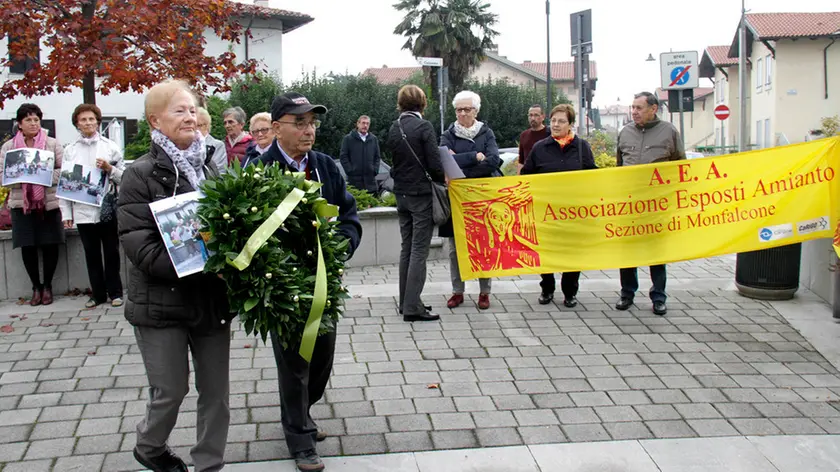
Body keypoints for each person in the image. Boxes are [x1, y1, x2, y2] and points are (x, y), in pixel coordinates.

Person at [118, 79, 231, 472]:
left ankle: (209, 465)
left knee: (216, 393)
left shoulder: (212, 166)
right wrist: (195, 264)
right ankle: (149, 446)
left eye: (192, 109)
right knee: (170, 390)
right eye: (178, 110)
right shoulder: (139, 174)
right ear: (155, 120)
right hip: (161, 302)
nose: (190, 116)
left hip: (211, 299)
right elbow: (141, 247)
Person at [250, 91, 361, 472]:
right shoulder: (258, 170)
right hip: (282, 284)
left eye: (312, 122)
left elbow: (348, 213)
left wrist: (341, 248)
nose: (308, 130)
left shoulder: (326, 166)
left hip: (324, 282)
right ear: (276, 127)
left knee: (322, 360)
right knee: (294, 363)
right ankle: (300, 439)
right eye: (299, 123)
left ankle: (304, 414)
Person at [615, 91, 686, 316]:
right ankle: (627, 293)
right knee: (628, 252)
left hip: (657, 206)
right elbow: (619, 167)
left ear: (653, 109)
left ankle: (658, 297)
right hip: (629, 205)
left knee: (656, 253)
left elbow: (680, 167)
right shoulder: (624, 133)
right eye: (632, 107)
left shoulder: (669, 132)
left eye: (638, 108)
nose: (633, 112)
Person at [521, 104, 597, 307]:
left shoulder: (582, 147)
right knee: (546, 252)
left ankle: (570, 292)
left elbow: (593, 176)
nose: (556, 124)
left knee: (572, 254)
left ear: (570, 124)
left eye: (561, 121)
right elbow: (526, 176)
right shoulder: (540, 148)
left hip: (573, 212)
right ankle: (547, 289)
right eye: (554, 120)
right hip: (546, 212)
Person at [386, 85, 444, 323]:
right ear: (423, 103)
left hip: (401, 194)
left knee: (406, 248)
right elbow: (434, 162)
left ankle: (405, 301)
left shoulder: (394, 127)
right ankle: (412, 307)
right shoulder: (424, 127)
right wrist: (442, 180)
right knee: (420, 249)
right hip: (421, 194)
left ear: (401, 103)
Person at [440, 90, 502, 311]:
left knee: (483, 245)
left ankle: (485, 292)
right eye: (459, 110)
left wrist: (464, 169)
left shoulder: (486, 132)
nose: (463, 113)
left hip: (482, 198)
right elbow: (446, 160)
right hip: (457, 200)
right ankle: (458, 291)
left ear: (476, 111)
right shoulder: (448, 134)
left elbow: (494, 160)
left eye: (467, 109)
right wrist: (475, 156)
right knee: (455, 248)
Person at [60, 103, 126, 308]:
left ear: (98, 121)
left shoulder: (110, 147)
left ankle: (115, 292)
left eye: (91, 119)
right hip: (82, 210)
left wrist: (109, 169)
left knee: (111, 251)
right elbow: (65, 183)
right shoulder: (70, 150)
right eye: (83, 120)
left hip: (106, 209)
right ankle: (97, 294)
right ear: (77, 124)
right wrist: (66, 212)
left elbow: (124, 177)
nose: (88, 123)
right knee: (91, 253)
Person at [0, 103, 64, 306]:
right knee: (27, 246)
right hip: (22, 204)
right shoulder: (9, 148)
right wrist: (26, 176)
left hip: (48, 203)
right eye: (28, 119)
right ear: (19, 124)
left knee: (50, 245)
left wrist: (42, 176)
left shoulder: (52, 144)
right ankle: (35, 287)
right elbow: (4, 176)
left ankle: (48, 286)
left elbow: (63, 171)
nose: (33, 123)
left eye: (36, 119)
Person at [339, 115, 381, 194]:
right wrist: (350, 170)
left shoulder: (373, 139)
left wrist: (375, 170)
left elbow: (377, 157)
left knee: (373, 205)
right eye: (363, 123)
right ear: (358, 124)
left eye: (367, 124)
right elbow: (343, 157)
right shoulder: (348, 139)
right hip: (354, 183)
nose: (365, 126)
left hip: (370, 182)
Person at [518, 104, 551, 171]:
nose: (533, 118)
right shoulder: (523, 135)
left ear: (543, 117)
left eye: (536, 115)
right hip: (528, 177)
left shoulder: (550, 134)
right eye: (530, 115)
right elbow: (521, 161)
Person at [196, 107, 227, 174]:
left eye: (198, 125)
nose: (195, 129)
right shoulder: (186, 144)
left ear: (206, 126)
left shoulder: (217, 145)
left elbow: (220, 172)